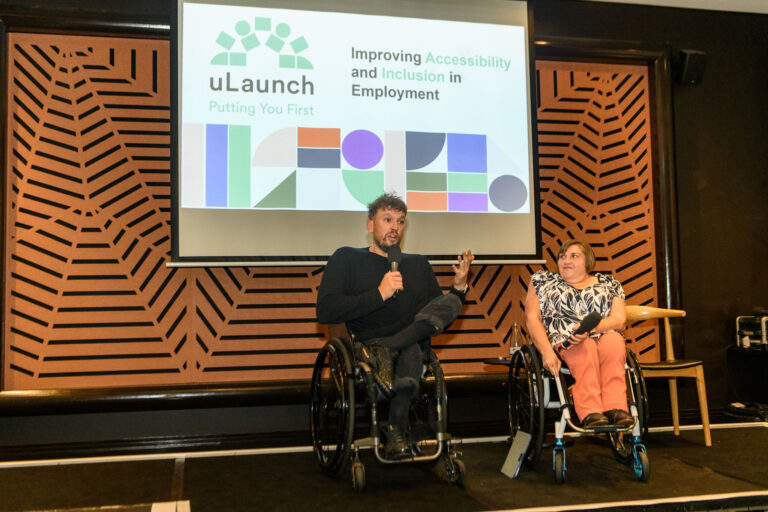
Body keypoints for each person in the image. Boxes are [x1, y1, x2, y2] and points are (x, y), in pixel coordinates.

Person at [316, 193, 473, 459]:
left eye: (400, 221)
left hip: (409, 339)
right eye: (387, 219)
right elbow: (326, 310)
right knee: (412, 348)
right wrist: (379, 293)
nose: (395, 228)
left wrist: (458, 289)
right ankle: (396, 426)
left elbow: (437, 315)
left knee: (448, 305)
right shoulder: (346, 258)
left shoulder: (418, 264)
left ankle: (391, 347)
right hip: (367, 347)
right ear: (370, 225)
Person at [524, 240, 633, 428]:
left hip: (602, 335)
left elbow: (619, 320)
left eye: (574, 256)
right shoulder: (543, 281)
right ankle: (590, 411)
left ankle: (616, 408)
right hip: (566, 342)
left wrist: (590, 330)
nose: (566, 260)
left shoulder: (609, 283)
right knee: (586, 345)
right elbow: (532, 318)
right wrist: (546, 352)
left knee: (614, 341)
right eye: (562, 256)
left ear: (588, 261)